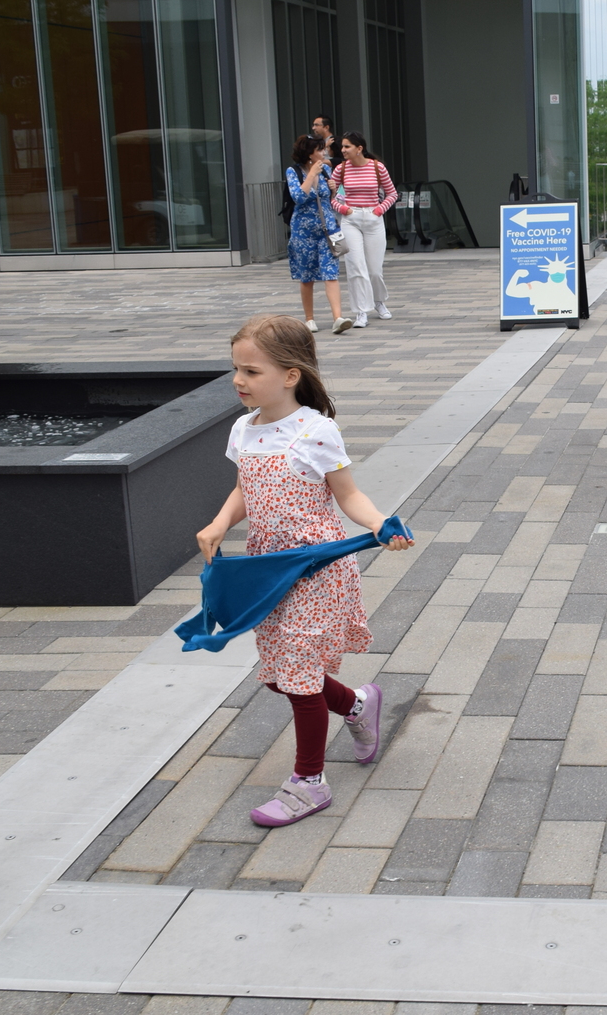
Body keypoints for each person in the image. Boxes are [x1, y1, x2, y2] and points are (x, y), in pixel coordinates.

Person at [195, 314, 412, 827]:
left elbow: (349, 495)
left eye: (251, 371)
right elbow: (245, 488)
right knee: (282, 678)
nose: (239, 380)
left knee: (297, 678)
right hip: (267, 571)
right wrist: (220, 523)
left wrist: (379, 524)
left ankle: (309, 783)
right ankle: (357, 705)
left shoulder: (316, 431)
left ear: (291, 375)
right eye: (236, 369)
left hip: (316, 570)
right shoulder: (243, 430)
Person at [286, 135, 349, 335]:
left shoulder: (326, 170)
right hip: (303, 232)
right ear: (308, 153)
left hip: (327, 229)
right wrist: (311, 174)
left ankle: (338, 318)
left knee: (331, 273)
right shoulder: (294, 171)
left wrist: (333, 190)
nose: (324, 153)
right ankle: (309, 319)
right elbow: (298, 197)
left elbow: (336, 197)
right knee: (307, 276)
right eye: (320, 150)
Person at [331, 133, 396, 326]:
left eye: (347, 146)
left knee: (375, 270)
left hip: (373, 218)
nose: (343, 150)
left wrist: (379, 210)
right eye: (342, 146)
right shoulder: (341, 169)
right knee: (355, 267)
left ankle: (379, 301)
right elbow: (330, 197)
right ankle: (361, 311)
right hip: (351, 219)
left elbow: (392, 194)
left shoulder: (377, 167)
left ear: (359, 148)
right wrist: (343, 209)